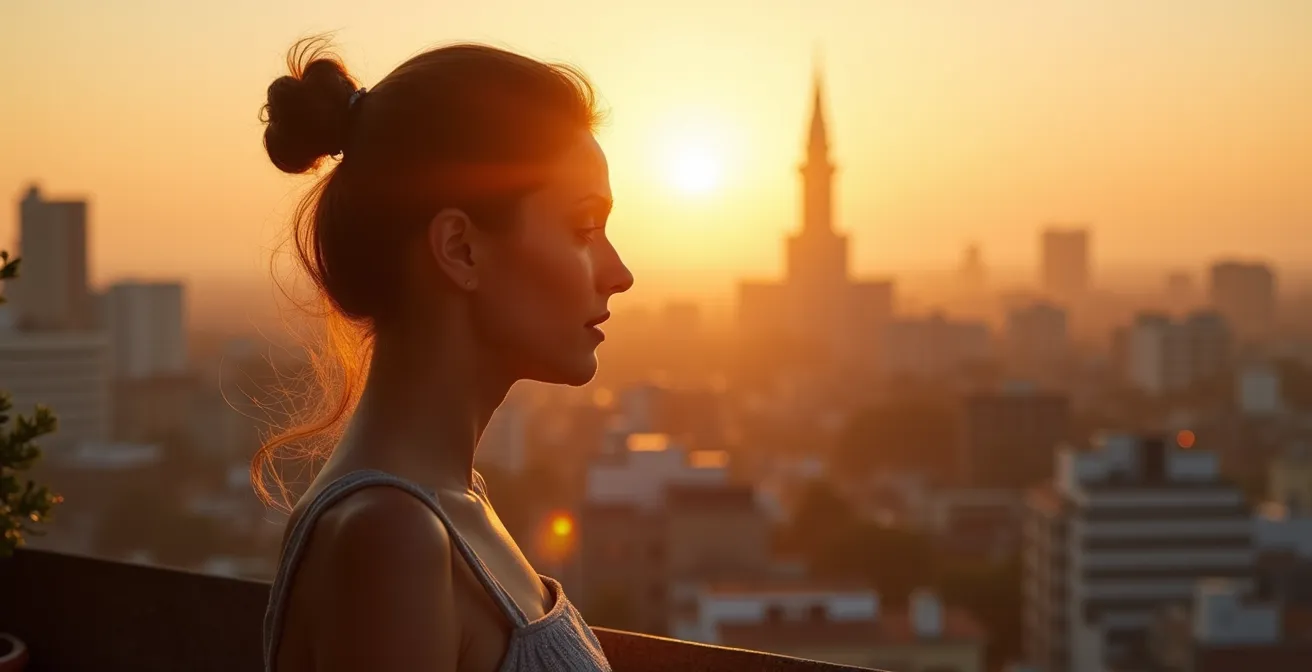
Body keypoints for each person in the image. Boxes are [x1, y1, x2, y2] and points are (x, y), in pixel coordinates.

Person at [254, 37, 632, 672]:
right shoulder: (391, 538)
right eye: (583, 229)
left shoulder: (448, 506)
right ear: (460, 249)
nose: (619, 273)